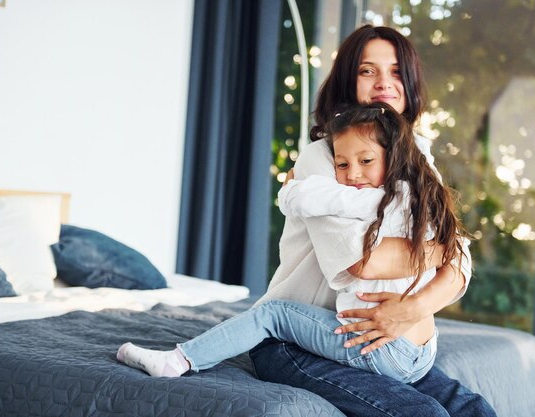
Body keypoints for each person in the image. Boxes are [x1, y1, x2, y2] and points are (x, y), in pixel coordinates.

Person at [116, 103, 463, 384]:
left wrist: (292, 191)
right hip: (419, 352)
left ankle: (178, 360)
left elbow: (332, 208)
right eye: (341, 164)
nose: (353, 174)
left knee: (272, 314)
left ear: (395, 157)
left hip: (384, 346)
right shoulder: (423, 198)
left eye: (366, 161)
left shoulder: (392, 197)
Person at [249, 25, 497, 417]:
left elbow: (461, 266)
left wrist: (412, 308)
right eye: (368, 71)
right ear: (349, 81)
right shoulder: (323, 157)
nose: (385, 82)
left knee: (477, 411)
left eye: (396, 71)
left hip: (382, 340)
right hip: (298, 339)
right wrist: (442, 250)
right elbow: (361, 261)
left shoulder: (417, 157)